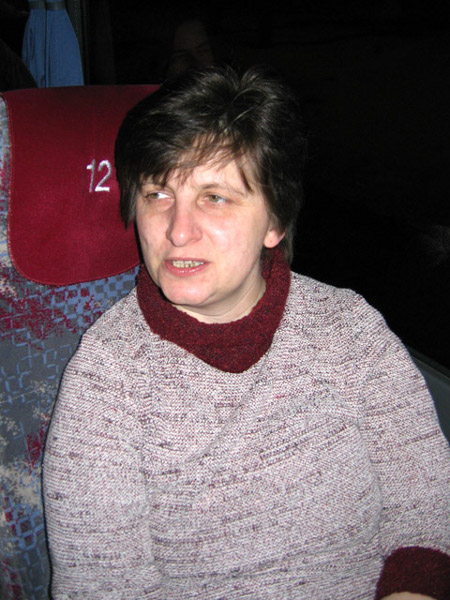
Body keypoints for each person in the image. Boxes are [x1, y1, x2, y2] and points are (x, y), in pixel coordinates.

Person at [43, 65, 450, 599]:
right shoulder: (106, 380)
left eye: (214, 197)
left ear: (274, 221)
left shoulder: (350, 333)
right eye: (157, 194)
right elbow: (101, 586)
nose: (178, 232)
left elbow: (428, 506)